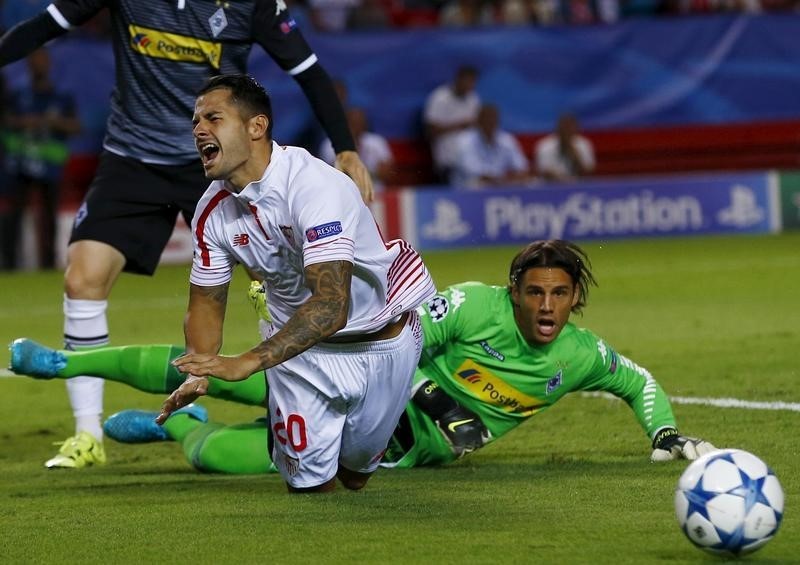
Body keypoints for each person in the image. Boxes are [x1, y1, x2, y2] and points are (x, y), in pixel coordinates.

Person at [0, 0, 373, 469]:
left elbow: (309, 70)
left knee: (289, 283)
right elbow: (43, 27)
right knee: (82, 279)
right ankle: (87, 433)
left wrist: (346, 148)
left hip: (220, 164)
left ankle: (314, 384)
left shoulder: (250, 5)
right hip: (132, 158)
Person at [10, 240, 716, 475]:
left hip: (389, 452)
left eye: (559, 294)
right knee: (226, 366)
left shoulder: (582, 354)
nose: (545, 306)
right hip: (363, 391)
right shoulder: (473, 305)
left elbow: (638, 380)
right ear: (514, 289)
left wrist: (664, 431)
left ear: (574, 301)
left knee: (215, 458)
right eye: (534, 291)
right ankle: (64, 363)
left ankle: (168, 429)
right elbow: (405, 338)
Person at [160, 73, 436, 492]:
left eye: (213, 118)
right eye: (195, 122)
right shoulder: (211, 211)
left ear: (256, 127)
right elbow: (207, 302)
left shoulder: (315, 186)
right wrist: (199, 366)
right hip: (296, 355)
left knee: (356, 475)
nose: (199, 130)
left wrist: (246, 362)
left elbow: (330, 306)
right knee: (310, 485)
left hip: (382, 343)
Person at [1, 47, 80, 270]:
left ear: (49, 63)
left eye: (42, 59)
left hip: (49, 163)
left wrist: (55, 123)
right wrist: (25, 122)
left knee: (48, 215)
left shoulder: (61, 96)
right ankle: (9, 263)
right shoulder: (17, 94)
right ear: (28, 64)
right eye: (34, 59)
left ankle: (48, 262)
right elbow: (6, 121)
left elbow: (76, 126)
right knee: (13, 213)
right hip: (20, 160)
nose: (39, 64)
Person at [423, 65, 481, 184]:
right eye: (467, 81)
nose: (470, 85)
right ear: (458, 79)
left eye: (473, 82)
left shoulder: (473, 99)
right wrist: (460, 125)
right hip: (447, 161)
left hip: (471, 163)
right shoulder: (439, 98)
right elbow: (430, 131)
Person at [449, 103, 530, 189]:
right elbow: (473, 172)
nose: (490, 123)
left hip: (499, 185)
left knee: (531, 183)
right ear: (478, 121)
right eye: (486, 120)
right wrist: (501, 180)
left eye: (493, 120)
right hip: (467, 189)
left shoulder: (506, 140)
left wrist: (516, 177)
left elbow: (522, 167)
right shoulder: (464, 140)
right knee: (476, 183)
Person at [319, 107, 394, 191]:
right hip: (344, 191)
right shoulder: (329, 145)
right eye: (353, 123)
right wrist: (372, 173)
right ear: (345, 124)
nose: (357, 127)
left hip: (375, 193)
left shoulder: (377, 142)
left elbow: (387, 174)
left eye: (360, 123)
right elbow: (332, 174)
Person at [534, 112, 595, 182]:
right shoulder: (545, 144)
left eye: (570, 126)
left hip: (577, 184)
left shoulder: (583, 143)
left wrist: (574, 153)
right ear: (558, 127)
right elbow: (542, 170)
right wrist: (560, 178)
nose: (567, 129)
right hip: (551, 184)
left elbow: (589, 169)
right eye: (564, 126)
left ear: (576, 127)